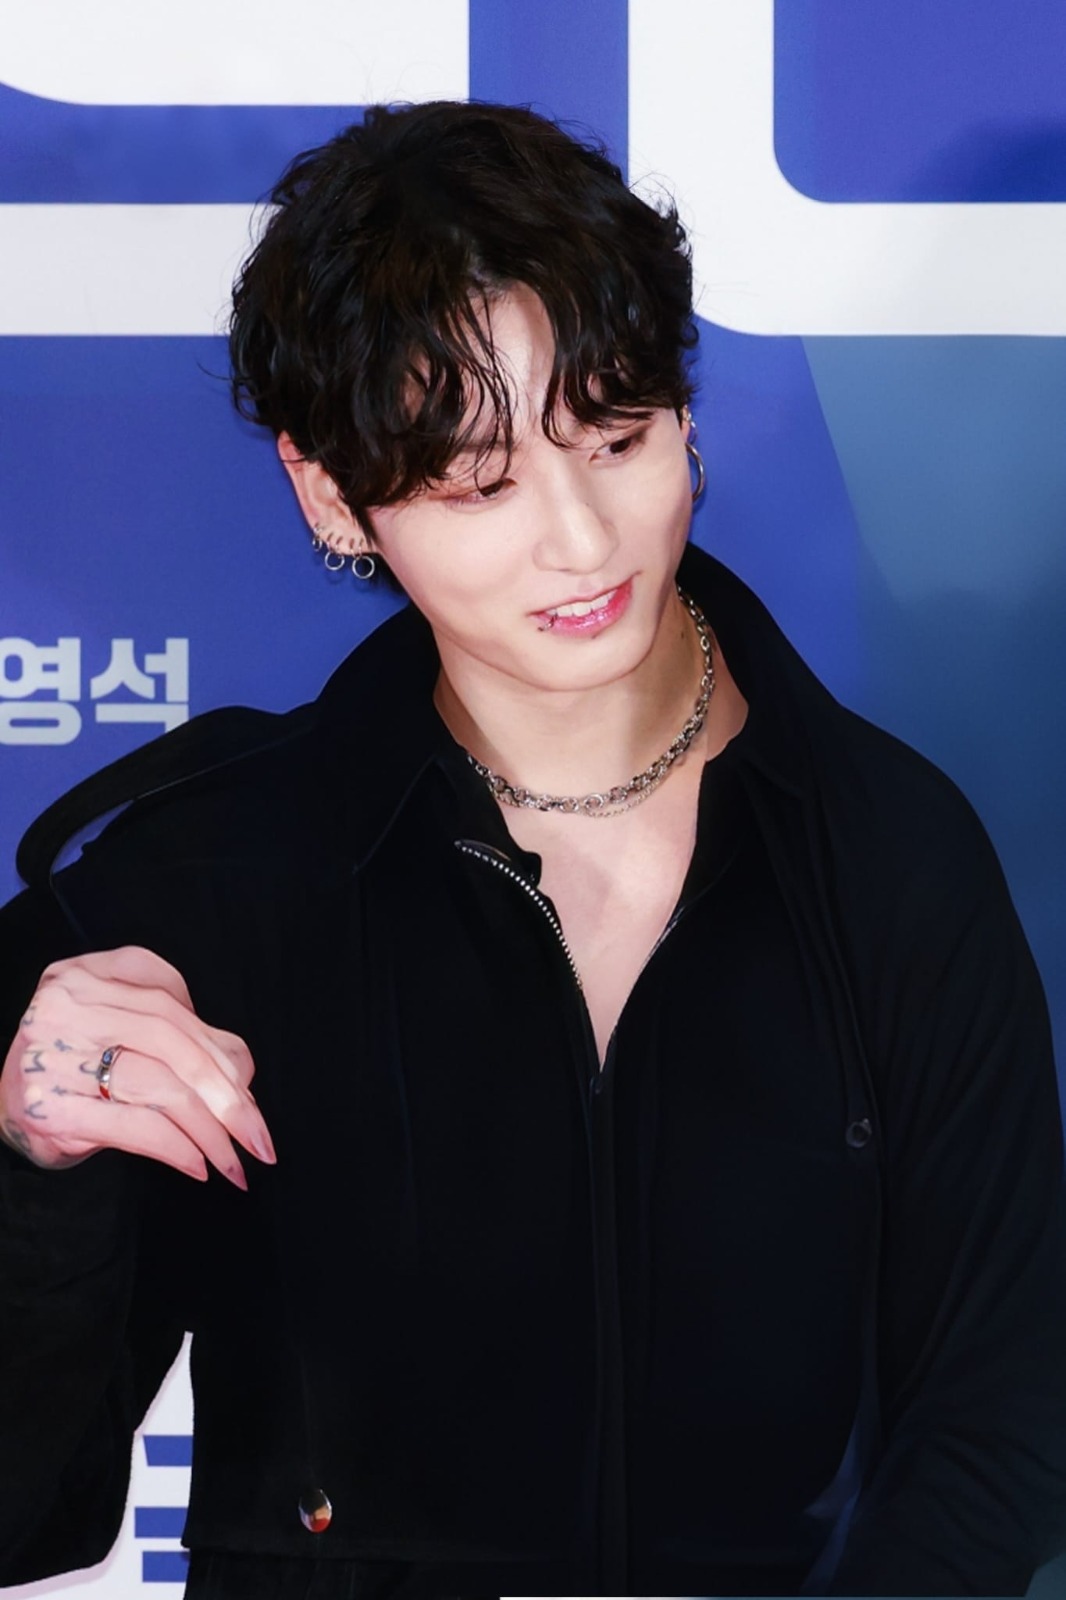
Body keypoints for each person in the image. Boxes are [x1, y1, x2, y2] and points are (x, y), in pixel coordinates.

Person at [1, 100, 1065, 1600]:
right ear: (332, 493)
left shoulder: (889, 853)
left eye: (617, 438)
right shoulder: (203, 883)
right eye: (481, 482)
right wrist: (32, 1175)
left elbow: (1000, 1421)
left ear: (683, 416)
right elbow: (23, 1509)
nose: (580, 539)